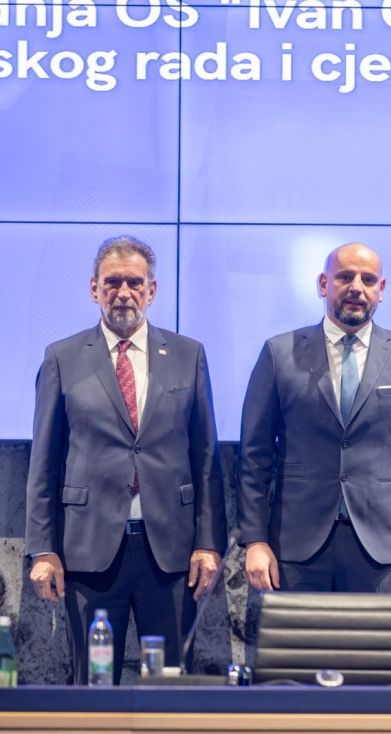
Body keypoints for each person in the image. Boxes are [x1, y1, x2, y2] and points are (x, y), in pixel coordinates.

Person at [25, 235, 226, 684]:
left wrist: (209, 542)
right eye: (112, 282)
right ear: (93, 289)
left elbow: (206, 456)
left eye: (135, 283)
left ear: (151, 290)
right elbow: (44, 463)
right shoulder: (62, 358)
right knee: (95, 685)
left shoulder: (188, 355)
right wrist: (44, 550)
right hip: (89, 553)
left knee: (168, 684)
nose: (123, 293)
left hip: (170, 555)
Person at [238, 243, 391, 594]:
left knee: (374, 636)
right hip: (295, 547)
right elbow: (254, 455)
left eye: (368, 279)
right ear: (324, 284)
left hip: (381, 548)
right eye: (345, 277)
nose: (356, 287)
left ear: (382, 289)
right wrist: (255, 540)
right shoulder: (279, 353)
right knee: (295, 636)